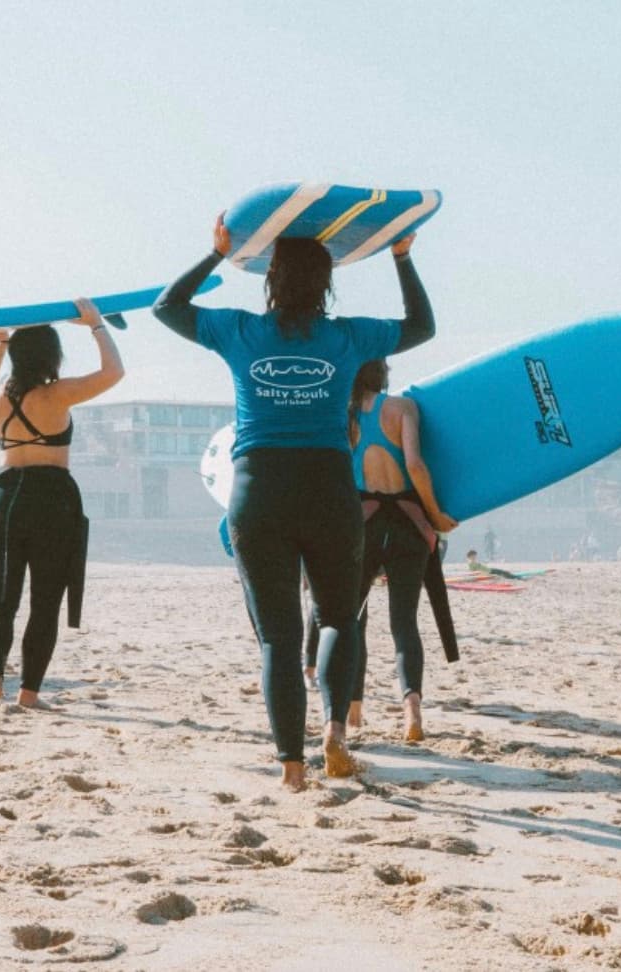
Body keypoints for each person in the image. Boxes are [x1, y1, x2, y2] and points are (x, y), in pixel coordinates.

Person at [155, 217, 434, 790]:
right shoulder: (347, 337)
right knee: (337, 616)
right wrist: (401, 256)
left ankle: (291, 768)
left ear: (269, 280)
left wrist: (215, 253)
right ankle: (334, 731)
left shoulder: (238, 332)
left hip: (259, 489)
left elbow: (167, 307)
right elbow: (421, 327)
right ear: (327, 284)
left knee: (279, 638)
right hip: (329, 486)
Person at [0, 301, 121, 711]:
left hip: (5, 497)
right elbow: (113, 372)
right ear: (53, 357)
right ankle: (29, 693)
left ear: (16, 356)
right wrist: (97, 326)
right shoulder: (59, 393)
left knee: (2, 599)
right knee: (45, 600)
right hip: (52, 498)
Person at [342, 359, 456, 742]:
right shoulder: (404, 408)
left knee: (352, 617)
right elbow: (415, 465)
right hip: (409, 526)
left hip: (364, 525)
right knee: (404, 622)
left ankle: (352, 711)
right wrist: (435, 515)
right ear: (383, 374)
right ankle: (412, 716)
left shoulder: (345, 415)